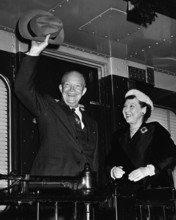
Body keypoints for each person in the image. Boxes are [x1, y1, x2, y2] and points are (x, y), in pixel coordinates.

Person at [15, 34, 99, 178]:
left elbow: (94, 161)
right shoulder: (48, 107)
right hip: (51, 188)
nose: (72, 91)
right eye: (67, 85)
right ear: (60, 88)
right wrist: (34, 52)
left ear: (84, 91)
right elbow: (22, 89)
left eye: (77, 86)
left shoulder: (92, 124)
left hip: (82, 192)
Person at [105, 89, 176, 220]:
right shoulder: (118, 136)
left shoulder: (155, 129)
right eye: (125, 106)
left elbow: (171, 155)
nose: (126, 110)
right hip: (126, 199)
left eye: (132, 106)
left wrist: (149, 169)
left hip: (153, 198)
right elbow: (109, 161)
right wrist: (112, 170)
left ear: (144, 110)